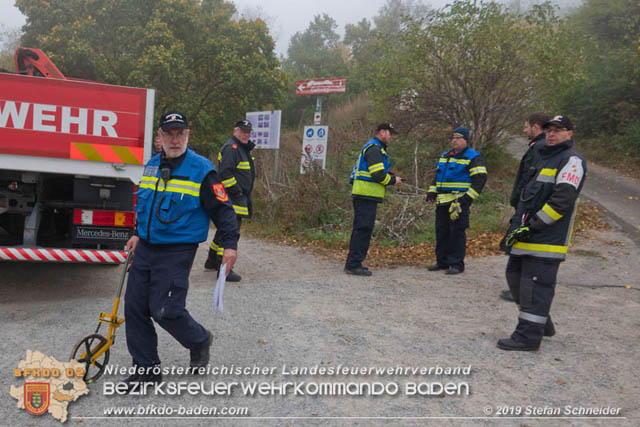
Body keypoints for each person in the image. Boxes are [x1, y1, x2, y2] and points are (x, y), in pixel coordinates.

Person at [123, 111, 239, 389]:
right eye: (169, 134)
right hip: (147, 248)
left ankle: (199, 340)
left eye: (180, 133)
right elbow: (145, 204)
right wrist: (137, 234)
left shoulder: (202, 170)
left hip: (177, 250)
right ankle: (146, 371)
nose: (175, 139)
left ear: (187, 135)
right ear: (160, 137)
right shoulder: (151, 165)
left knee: (165, 309)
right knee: (135, 307)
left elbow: (224, 211)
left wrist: (230, 246)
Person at [498, 115, 586, 351]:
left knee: (535, 287)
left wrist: (534, 225)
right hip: (525, 236)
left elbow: (562, 200)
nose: (552, 134)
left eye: (558, 130)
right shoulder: (542, 156)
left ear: (570, 133)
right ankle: (542, 323)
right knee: (515, 280)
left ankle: (527, 338)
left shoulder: (572, 161)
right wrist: (517, 227)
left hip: (546, 241)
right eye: (549, 130)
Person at [500, 112, 550, 302]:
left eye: (526, 126)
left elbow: (529, 179)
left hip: (529, 206)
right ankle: (519, 289)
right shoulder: (538, 147)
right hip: (526, 203)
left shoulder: (540, 148)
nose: (524, 130)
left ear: (536, 127)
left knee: (523, 250)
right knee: (520, 249)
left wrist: (520, 200)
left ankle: (521, 291)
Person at [426, 126, 487, 274]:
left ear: (466, 140)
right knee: (441, 232)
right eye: (453, 138)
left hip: (458, 203)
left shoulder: (473, 157)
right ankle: (442, 262)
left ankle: (456, 264)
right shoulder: (445, 155)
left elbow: (480, 179)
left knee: (456, 233)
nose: (455, 141)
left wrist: (467, 199)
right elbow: (437, 177)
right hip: (442, 202)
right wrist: (432, 192)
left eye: (458, 138)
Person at [345, 123, 403, 276]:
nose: (391, 137)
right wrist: (392, 180)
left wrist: (388, 175)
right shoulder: (375, 148)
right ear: (382, 132)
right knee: (363, 229)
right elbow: (377, 174)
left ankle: (355, 262)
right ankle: (353, 264)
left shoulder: (375, 148)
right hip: (366, 194)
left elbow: (377, 171)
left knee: (362, 229)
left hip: (367, 195)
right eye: (390, 134)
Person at [204, 120, 256, 282]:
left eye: (248, 132)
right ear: (235, 131)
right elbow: (225, 174)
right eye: (243, 131)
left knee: (224, 229)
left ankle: (212, 260)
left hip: (236, 197)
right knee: (231, 231)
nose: (246, 134)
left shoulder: (241, 148)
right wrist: (237, 192)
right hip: (233, 198)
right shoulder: (232, 148)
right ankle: (224, 267)